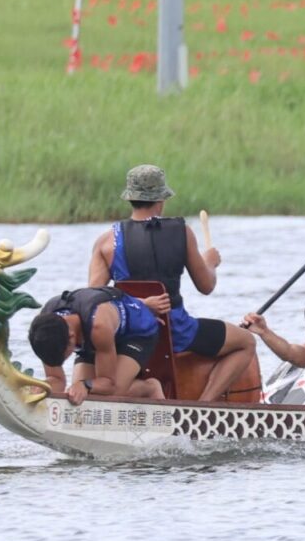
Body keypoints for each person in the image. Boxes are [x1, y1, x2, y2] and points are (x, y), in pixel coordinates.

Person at [86, 164, 257, 402]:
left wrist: (138, 304)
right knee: (246, 342)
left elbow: (93, 299)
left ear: (130, 199)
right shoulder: (183, 233)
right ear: (161, 200)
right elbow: (206, 286)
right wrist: (210, 263)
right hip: (176, 331)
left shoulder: (105, 242)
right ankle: (204, 405)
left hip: (127, 332)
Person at [27, 287, 167, 405]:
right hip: (95, 340)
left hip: (136, 333)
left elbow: (108, 384)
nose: (60, 363)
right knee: (78, 397)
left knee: (109, 393)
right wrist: (42, 388)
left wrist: (86, 384)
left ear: (71, 337)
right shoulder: (44, 332)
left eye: (62, 358)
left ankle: (149, 388)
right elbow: (57, 380)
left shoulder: (98, 325)